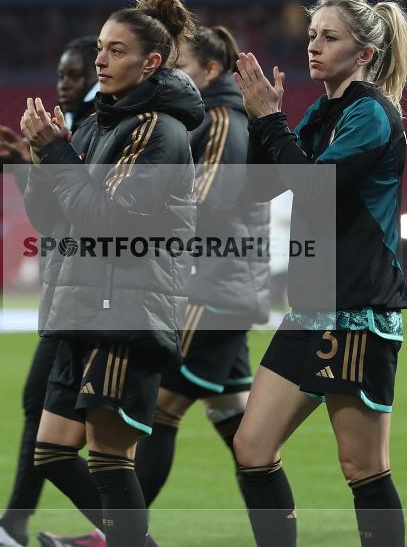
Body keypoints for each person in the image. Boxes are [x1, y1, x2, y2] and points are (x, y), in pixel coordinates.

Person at [22, 0, 203, 547]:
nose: (100, 57)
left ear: (152, 63)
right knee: (51, 451)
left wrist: (56, 153)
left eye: (116, 50)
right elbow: (54, 222)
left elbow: (107, 221)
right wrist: (39, 157)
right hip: (84, 302)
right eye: (100, 47)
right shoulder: (101, 121)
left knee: (108, 458)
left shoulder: (158, 131)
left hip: (124, 308)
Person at [232, 0, 407, 547]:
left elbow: (313, 191)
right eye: (312, 34)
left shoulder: (372, 113)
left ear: (363, 53)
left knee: (363, 469)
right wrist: (259, 121)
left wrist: (272, 121)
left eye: (329, 37)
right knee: (253, 448)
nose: (314, 45)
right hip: (312, 309)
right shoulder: (322, 113)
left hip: (356, 311)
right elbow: (261, 190)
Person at [0, 37, 98, 547]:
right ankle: (19, 523)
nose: (64, 84)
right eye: (61, 74)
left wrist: (41, 160)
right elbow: (58, 208)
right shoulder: (78, 127)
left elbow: (88, 212)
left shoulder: (102, 127)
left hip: (92, 296)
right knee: (62, 419)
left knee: (73, 428)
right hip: (73, 292)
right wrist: (25, 162)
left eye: (75, 74)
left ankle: (122, 534)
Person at [132, 26, 271, 507]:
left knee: (158, 411)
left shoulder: (222, 120)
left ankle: (115, 535)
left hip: (208, 290)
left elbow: (207, 203)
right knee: (239, 425)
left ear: (210, 71)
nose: (171, 78)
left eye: (181, 68)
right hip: (226, 289)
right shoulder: (216, 118)